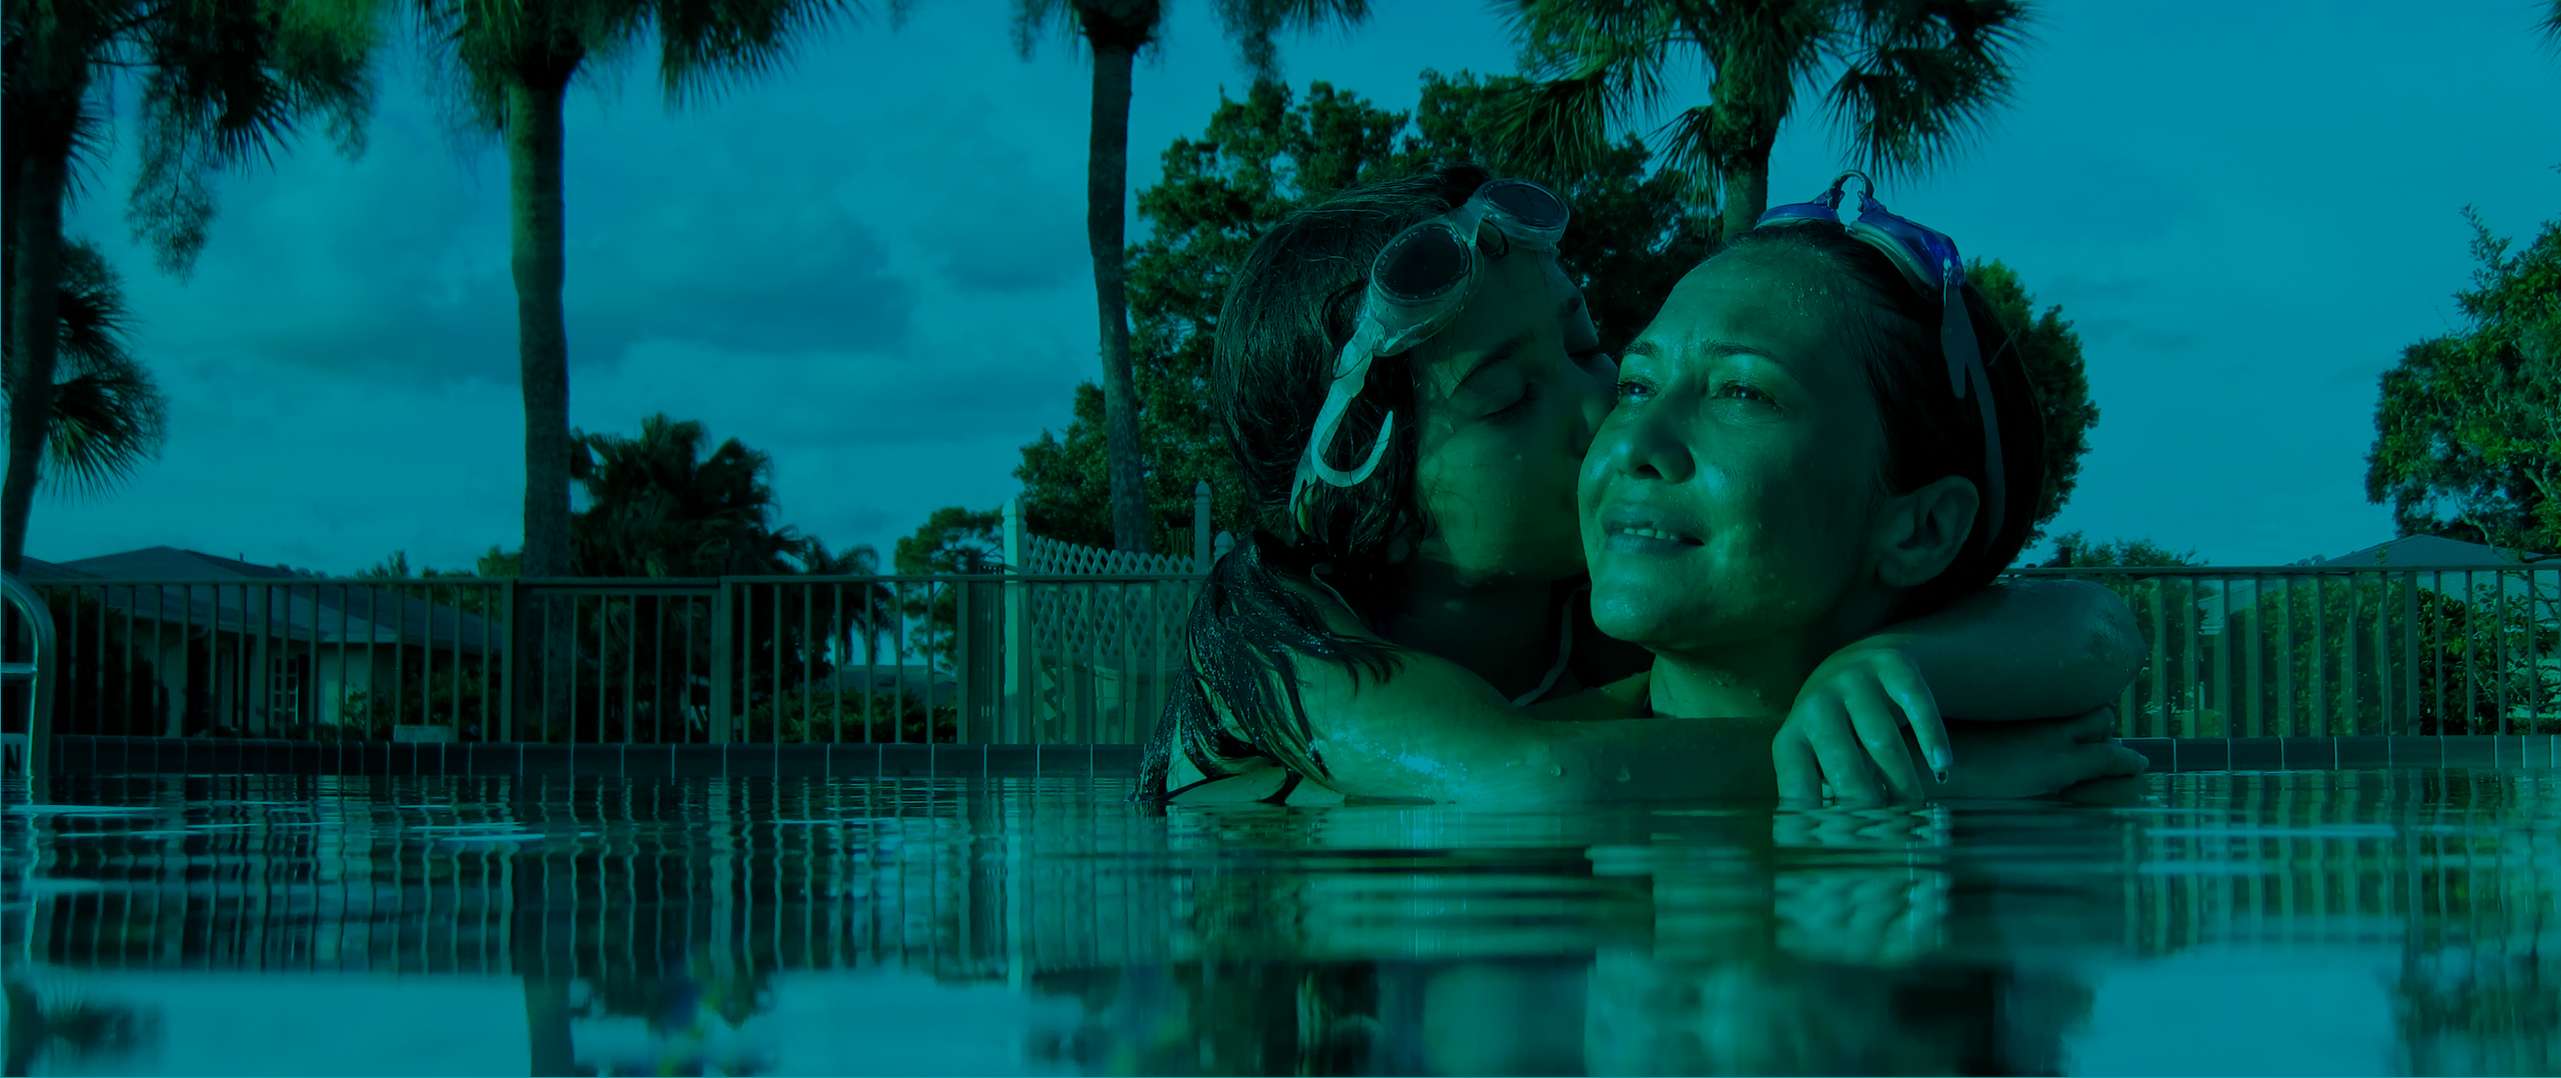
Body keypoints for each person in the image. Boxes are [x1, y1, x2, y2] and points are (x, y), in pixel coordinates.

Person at [1138, 163, 2142, 806]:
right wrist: (1914, 776)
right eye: (1507, 400)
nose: (1604, 417)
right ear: (1376, 507)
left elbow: (2090, 628)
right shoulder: (1267, 630)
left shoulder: (1621, 614)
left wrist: (1902, 673)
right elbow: (1529, 780)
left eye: (1591, 353)